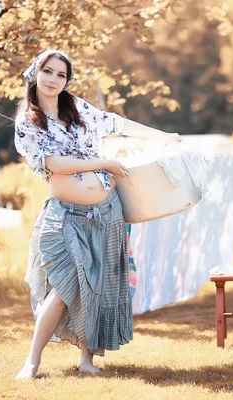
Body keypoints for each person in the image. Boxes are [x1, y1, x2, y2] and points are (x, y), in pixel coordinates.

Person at [13, 50, 181, 379]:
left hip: (106, 211)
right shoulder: (27, 124)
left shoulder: (78, 110)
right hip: (66, 215)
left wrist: (163, 136)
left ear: (66, 80)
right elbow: (53, 164)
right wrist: (102, 163)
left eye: (60, 75)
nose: (53, 80)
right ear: (35, 73)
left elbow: (119, 124)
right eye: (47, 71)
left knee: (97, 286)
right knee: (65, 285)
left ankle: (87, 360)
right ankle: (32, 362)